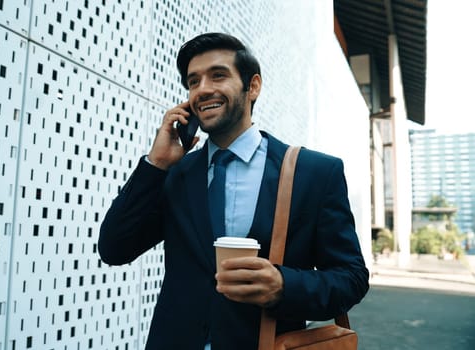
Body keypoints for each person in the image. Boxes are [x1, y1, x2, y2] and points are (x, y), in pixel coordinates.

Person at [98, 32, 369, 349]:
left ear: (252, 86)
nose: (203, 90)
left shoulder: (316, 172)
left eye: (218, 75)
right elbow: (114, 248)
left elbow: (351, 278)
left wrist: (284, 285)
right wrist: (156, 163)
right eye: (193, 81)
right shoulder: (176, 174)